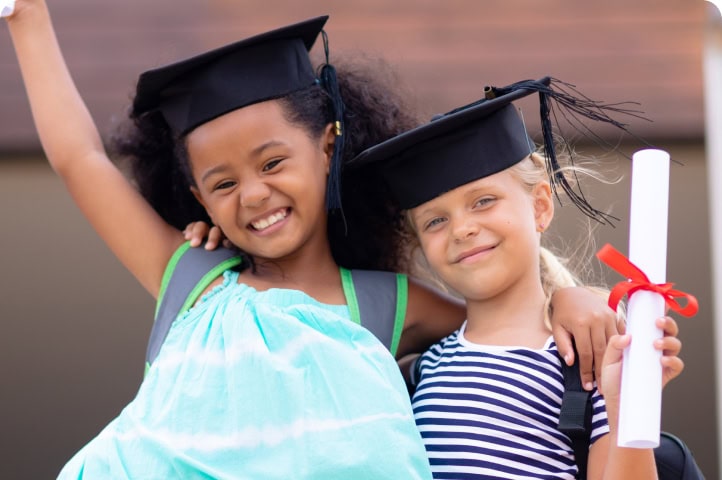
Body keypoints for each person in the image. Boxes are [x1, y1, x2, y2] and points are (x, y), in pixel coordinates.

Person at [5, 2, 620, 477]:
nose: (252, 195)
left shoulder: (385, 305)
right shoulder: (191, 276)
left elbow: (504, 319)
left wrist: (569, 300)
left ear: (329, 146)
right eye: (222, 183)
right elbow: (79, 158)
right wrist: (27, 15)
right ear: (197, 199)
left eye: (273, 163)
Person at [348, 77, 685, 479]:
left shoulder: (588, 366)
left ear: (541, 206)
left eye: (484, 201)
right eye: (436, 220)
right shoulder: (419, 373)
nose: (462, 230)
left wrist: (627, 404)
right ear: (421, 245)